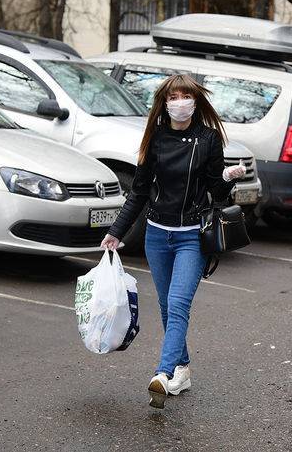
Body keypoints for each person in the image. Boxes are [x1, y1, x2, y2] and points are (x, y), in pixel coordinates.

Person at [101, 74, 246, 409]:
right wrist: (117, 231)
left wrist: (225, 178)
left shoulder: (209, 139)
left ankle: (164, 373)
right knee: (167, 307)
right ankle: (182, 369)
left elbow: (217, 192)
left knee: (178, 304)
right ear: (164, 103)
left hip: (191, 237)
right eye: (174, 96)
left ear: (196, 101)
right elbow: (138, 191)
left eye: (186, 96)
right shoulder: (155, 139)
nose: (180, 102)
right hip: (156, 234)